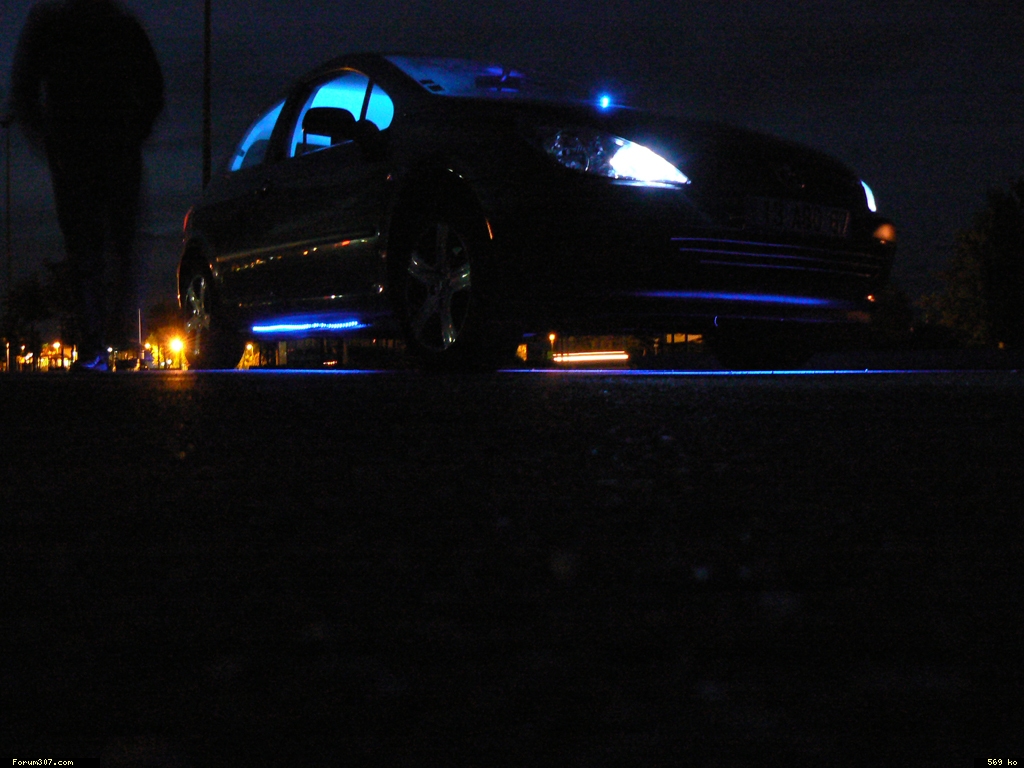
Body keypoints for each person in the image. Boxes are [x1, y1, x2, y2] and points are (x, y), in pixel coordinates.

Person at [11, 0, 163, 370]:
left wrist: (49, 137)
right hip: (108, 148)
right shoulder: (119, 26)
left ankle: (98, 339)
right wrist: (133, 131)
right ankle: (107, 333)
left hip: (79, 151)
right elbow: (153, 87)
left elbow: (25, 90)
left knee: (89, 247)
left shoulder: (53, 27)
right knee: (112, 243)